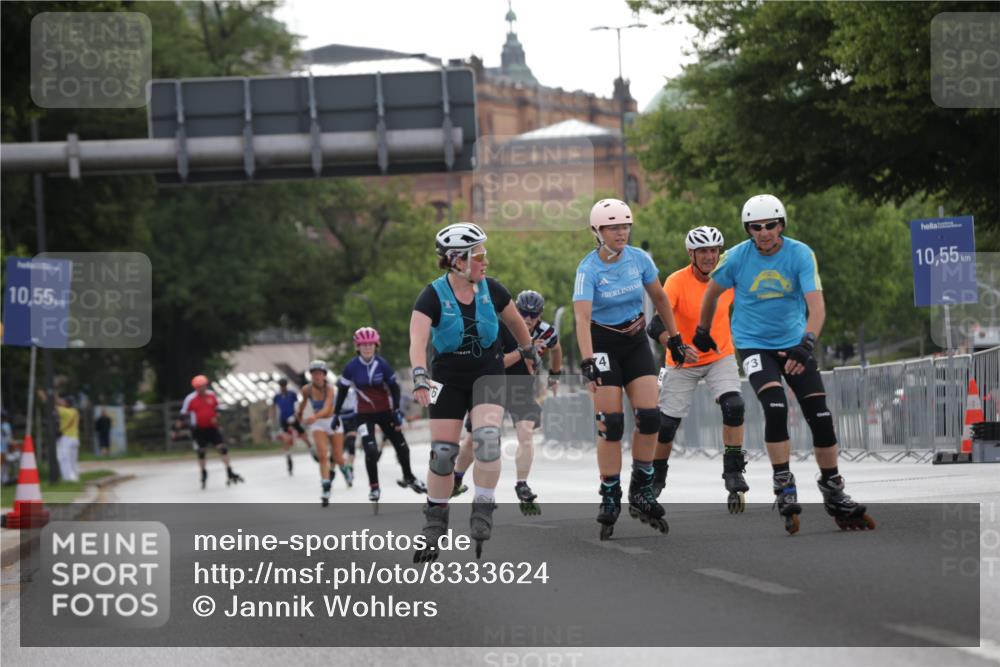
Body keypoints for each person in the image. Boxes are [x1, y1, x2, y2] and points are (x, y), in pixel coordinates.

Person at [695, 194, 875, 533]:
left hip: (794, 343)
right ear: (748, 229)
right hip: (753, 345)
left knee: (820, 416)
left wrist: (807, 343)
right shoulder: (736, 258)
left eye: (770, 226)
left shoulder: (800, 254)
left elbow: (816, 306)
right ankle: (783, 481)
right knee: (775, 407)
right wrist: (703, 330)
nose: (764, 233)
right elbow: (711, 293)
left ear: (782, 225)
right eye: (756, 227)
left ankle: (833, 488)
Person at [409, 222, 539, 560]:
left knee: (487, 439)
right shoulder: (432, 295)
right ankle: (435, 522)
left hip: (487, 373)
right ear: (456, 260)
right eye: (479, 255)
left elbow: (516, 324)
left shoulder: (492, 289)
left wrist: (529, 351)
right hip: (446, 379)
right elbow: (418, 341)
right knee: (442, 454)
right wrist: (420, 375)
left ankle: (482, 507)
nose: (486, 261)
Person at [573, 198, 696, 540]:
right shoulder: (588, 269)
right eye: (613, 228)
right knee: (611, 423)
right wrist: (587, 359)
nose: (621, 233)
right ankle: (610, 492)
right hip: (602, 346)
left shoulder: (639, 259)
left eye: (625, 226)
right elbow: (582, 317)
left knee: (651, 417)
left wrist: (674, 337)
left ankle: (641, 488)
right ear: (597, 232)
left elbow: (659, 299)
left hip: (636, 342)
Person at [645, 226, 749, 512]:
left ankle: (733, 470)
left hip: (719, 355)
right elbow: (654, 326)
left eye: (714, 250)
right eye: (703, 251)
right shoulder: (676, 281)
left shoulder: (728, 279)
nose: (709, 256)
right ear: (691, 253)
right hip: (682, 359)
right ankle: (656, 478)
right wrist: (677, 347)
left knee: (735, 405)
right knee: (666, 426)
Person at [451, 289, 562, 515]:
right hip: (493, 385)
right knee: (474, 439)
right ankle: (456, 478)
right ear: (515, 311)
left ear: (540, 314)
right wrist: (524, 351)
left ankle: (522, 484)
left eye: (534, 314)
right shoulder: (500, 328)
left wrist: (554, 375)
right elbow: (497, 363)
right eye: (524, 313)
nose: (529, 319)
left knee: (526, 433)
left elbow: (556, 349)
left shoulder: (545, 331)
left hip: (520, 389)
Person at [333, 327, 424, 504]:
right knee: (371, 450)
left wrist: (397, 410)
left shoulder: (382, 364)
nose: (367, 348)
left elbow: (394, 388)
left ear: (376, 346)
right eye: (363, 345)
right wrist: (335, 414)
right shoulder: (351, 367)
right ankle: (374, 487)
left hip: (385, 413)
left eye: (371, 345)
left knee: (402, 447)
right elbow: (342, 391)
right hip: (363, 415)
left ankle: (409, 477)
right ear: (357, 347)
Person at [180, 375, 244, 489]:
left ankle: (229, 471)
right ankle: (203, 473)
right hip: (199, 429)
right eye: (199, 387)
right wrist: (181, 427)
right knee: (201, 452)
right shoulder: (190, 399)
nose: (202, 388)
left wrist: (217, 417)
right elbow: (183, 414)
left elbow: (217, 409)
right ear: (196, 387)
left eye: (203, 386)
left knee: (222, 448)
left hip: (212, 427)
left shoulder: (212, 395)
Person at [295, 361, 343, 507]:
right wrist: (300, 414)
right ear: (311, 375)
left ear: (324, 375)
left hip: (332, 421)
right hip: (318, 423)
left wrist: (314, 416)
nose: (317, 376)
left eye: (320, 373)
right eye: (314, 374)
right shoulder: (306, 389)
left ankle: (346, 470)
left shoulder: (330, 388)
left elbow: (328, 406)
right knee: (323, 455)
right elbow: (303, 403)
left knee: (338, 457)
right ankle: (326, 487)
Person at [271, 378, 305, 475]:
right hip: (284, 419)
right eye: (281, 385)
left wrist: (298, 416)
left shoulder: (292, 394)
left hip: (293, 418)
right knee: (286, 439)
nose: (283, 387)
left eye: (284, 385)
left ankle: (312, 451)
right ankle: (288, 456)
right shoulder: (277, 396)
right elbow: (273, 407)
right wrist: (272, 418)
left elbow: (297, 405)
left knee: (303, 435)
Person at [55, 396, 81, 482]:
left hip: (66, 438)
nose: (62, 402)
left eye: (64, 401)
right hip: (75, 438)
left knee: (64, 458)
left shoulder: (63, 411)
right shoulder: (75, 412)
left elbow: (51, 405)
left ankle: (68, 478)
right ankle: (75, 476)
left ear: (66, 403)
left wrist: (54, 398)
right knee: (73, 459)